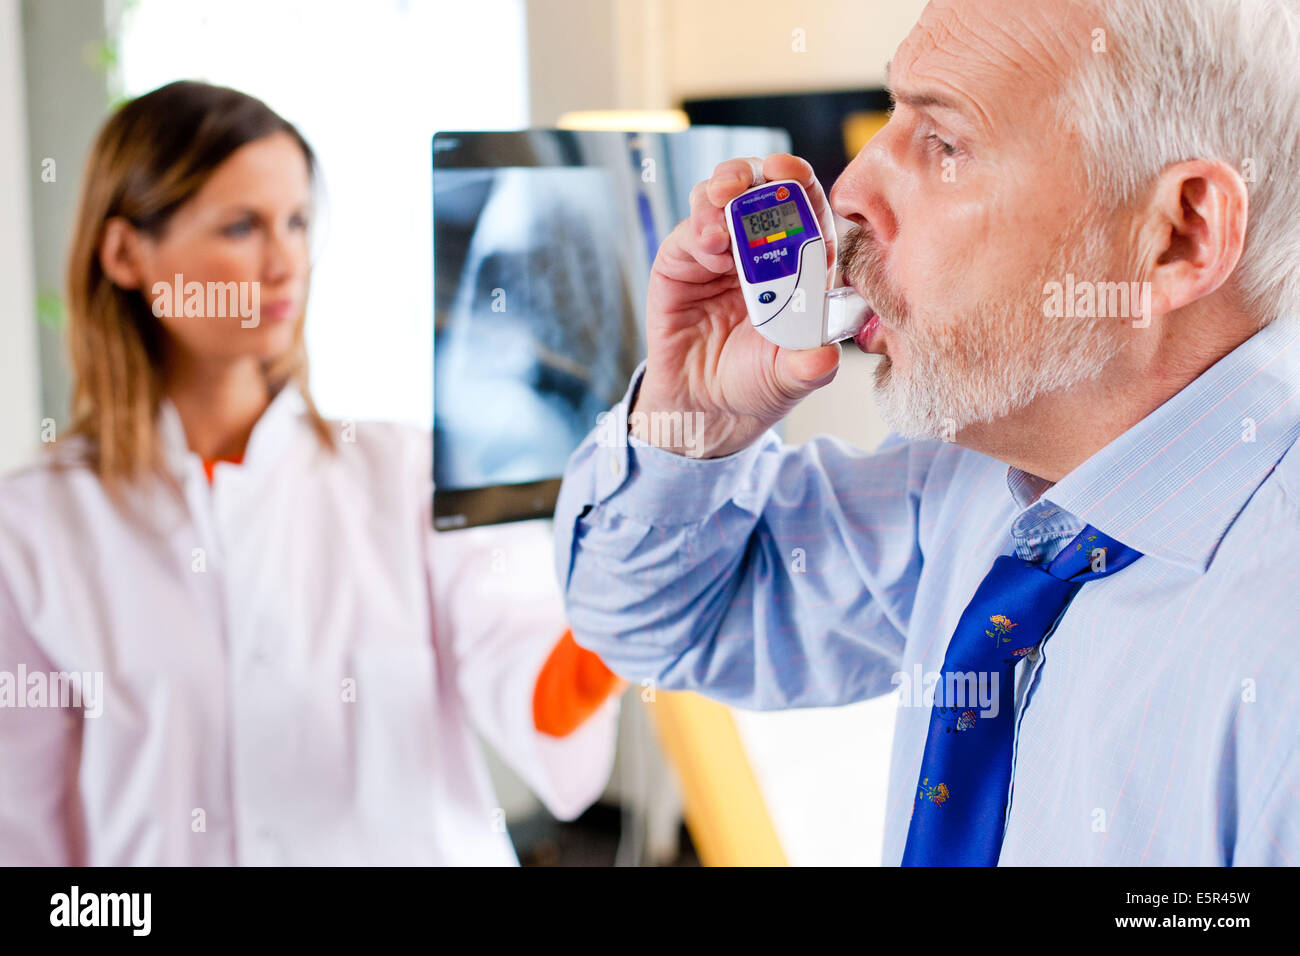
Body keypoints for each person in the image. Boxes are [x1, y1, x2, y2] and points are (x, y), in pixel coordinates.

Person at [554, 0, 1300, 866]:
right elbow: (655, 621)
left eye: (944, 144)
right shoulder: (973, 482)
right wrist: (696, 420)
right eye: (894, 115)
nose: (847, 193)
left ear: (1177, 234)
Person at [0, 80, 622, 865]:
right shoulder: (32, 527)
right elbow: (25, 833)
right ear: (126, 253)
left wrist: (633, 585)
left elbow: (536, 686)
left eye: (296, 222)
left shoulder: (409, 474)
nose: (285, 259)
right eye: (241, 226)